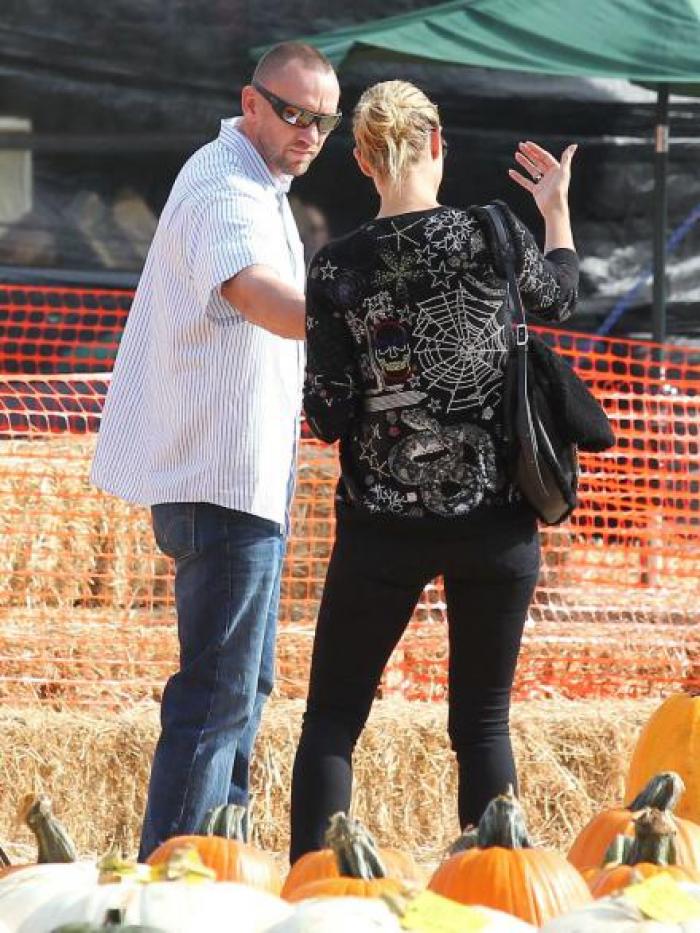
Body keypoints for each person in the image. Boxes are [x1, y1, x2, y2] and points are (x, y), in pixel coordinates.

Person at [289, 80, 579, 861]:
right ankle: (493, 884)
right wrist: (554, 208)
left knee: (333, 721)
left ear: (361, 161)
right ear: (438, 143)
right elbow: (559, 299)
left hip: (381, 527)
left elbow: (327, 417)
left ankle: (313, 886)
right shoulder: (494, 229)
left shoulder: (336, 267)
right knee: (481, 721)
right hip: (498, 523)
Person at [89, 42, 341, 859]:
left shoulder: (259, 184)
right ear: (251, 101)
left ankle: (212, 864)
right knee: (216, 697)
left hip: (238, 483)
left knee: (240, 689)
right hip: (220, 484)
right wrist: (359, 319)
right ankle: (176, 873)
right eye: (293, 112)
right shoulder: (224, 185)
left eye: (324, 120)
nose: (308, 132)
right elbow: (254, 293)